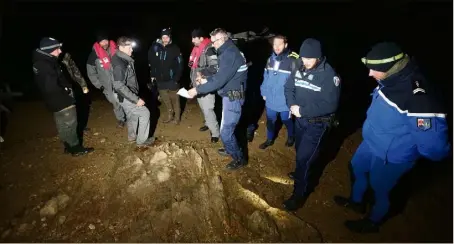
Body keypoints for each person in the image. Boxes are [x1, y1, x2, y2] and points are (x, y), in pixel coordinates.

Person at [333, 42, 451, 233]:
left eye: (374, 70)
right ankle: (356, 202)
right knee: (356, 167)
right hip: (372, 142)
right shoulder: (390, 78)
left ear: (389, 68)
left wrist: (407, 150)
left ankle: (373, 221)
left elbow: (434, 147)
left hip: (392, 155)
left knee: (380, 189)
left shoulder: (419, 98)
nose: (370, 74)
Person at [283, 38, 341, 211]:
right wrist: (292, 105)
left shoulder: (329, 75)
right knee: (300, 153)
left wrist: (303, 111)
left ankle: (298, 196)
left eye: (310, 58)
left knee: (304, 159)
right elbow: (288, 88)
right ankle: (301, 171)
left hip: (317, 125)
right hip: (300, 121)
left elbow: (330, 105)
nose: (306, 62)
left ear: (319, 57)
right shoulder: (299, 66)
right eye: (303, 58)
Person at [187, 28, 248, 170]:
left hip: (233, 98)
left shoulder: (230, 54)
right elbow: (221, 74)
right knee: (226, 129)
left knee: (225, 132)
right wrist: (206, 77)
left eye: (214, 42)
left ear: (221, 40)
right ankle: (229, 148)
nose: (212, 45)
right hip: (229, 96)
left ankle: (239, 158)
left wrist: (197, 89)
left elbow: (220, 80)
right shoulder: (226, 51)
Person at [32, 37, 94, 156]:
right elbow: (51, 86)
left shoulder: (42, 61)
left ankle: (68, 146)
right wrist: (66, 92)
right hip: (61, 100)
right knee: (70, 124)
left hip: (53, 102)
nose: (60, 51)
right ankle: (76, 148)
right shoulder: (45, 64)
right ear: (50, 49)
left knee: (62, 124)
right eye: (57, 49)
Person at [112, 36, 154, 148]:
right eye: (129, 47)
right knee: (145, 113)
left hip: (125, 94)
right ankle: (141, 141)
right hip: (124, 96)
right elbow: (119, 85)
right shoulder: (120, 63)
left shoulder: (123, 59)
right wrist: (136, 99)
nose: (132, 49)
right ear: (120, 47)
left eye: (132, 47)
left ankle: (132, 137)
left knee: (132, 116)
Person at [259, 35, 298, 149]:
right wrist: (264, 92)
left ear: (285, 45)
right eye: (275, 44)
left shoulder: (293, 60)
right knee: (270, 121)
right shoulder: (270, 59)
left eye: (280, 44)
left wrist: (294, 100)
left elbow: (298, 83)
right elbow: (265, 77)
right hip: (271, 99)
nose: (276, 47)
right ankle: (269, 139)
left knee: (287, 120)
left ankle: (291, 136)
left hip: (285, 101)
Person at [86, 34, 126, 128]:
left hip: (119, 81)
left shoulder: (116, 50)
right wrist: (99, 85)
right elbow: (91, 73)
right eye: (102, 41)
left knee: (125, 99)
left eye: (106, 40)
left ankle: (129, 116)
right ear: (98, 42)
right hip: (107, 85)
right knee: (115, 102)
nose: (105, 43)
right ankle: (121, 119)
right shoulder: (93, 55)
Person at [189, 28, 220, 143]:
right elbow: (193, 66)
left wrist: (202, 74)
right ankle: (208, 123)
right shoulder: (196, 49)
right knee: (203, 107)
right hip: (197, 84)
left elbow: (214, 67)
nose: (192, 40)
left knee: (208, 109)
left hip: (206, 84)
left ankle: (215, 133)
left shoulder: (209, 49)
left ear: (201, 38)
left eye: (194, 38)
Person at [148, 28, 183, 124]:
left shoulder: (175, 48)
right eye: (163, 37)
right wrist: (153, 75)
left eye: (167, 37)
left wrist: (176, 78)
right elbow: (153, 63)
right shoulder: (157, 48)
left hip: (172, 80)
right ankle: (170, 115)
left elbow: (180, 65)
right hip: (160, 80)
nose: (165, 39)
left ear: (170, 37)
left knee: (175, 100)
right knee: (166, 100)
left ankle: (177, 118)